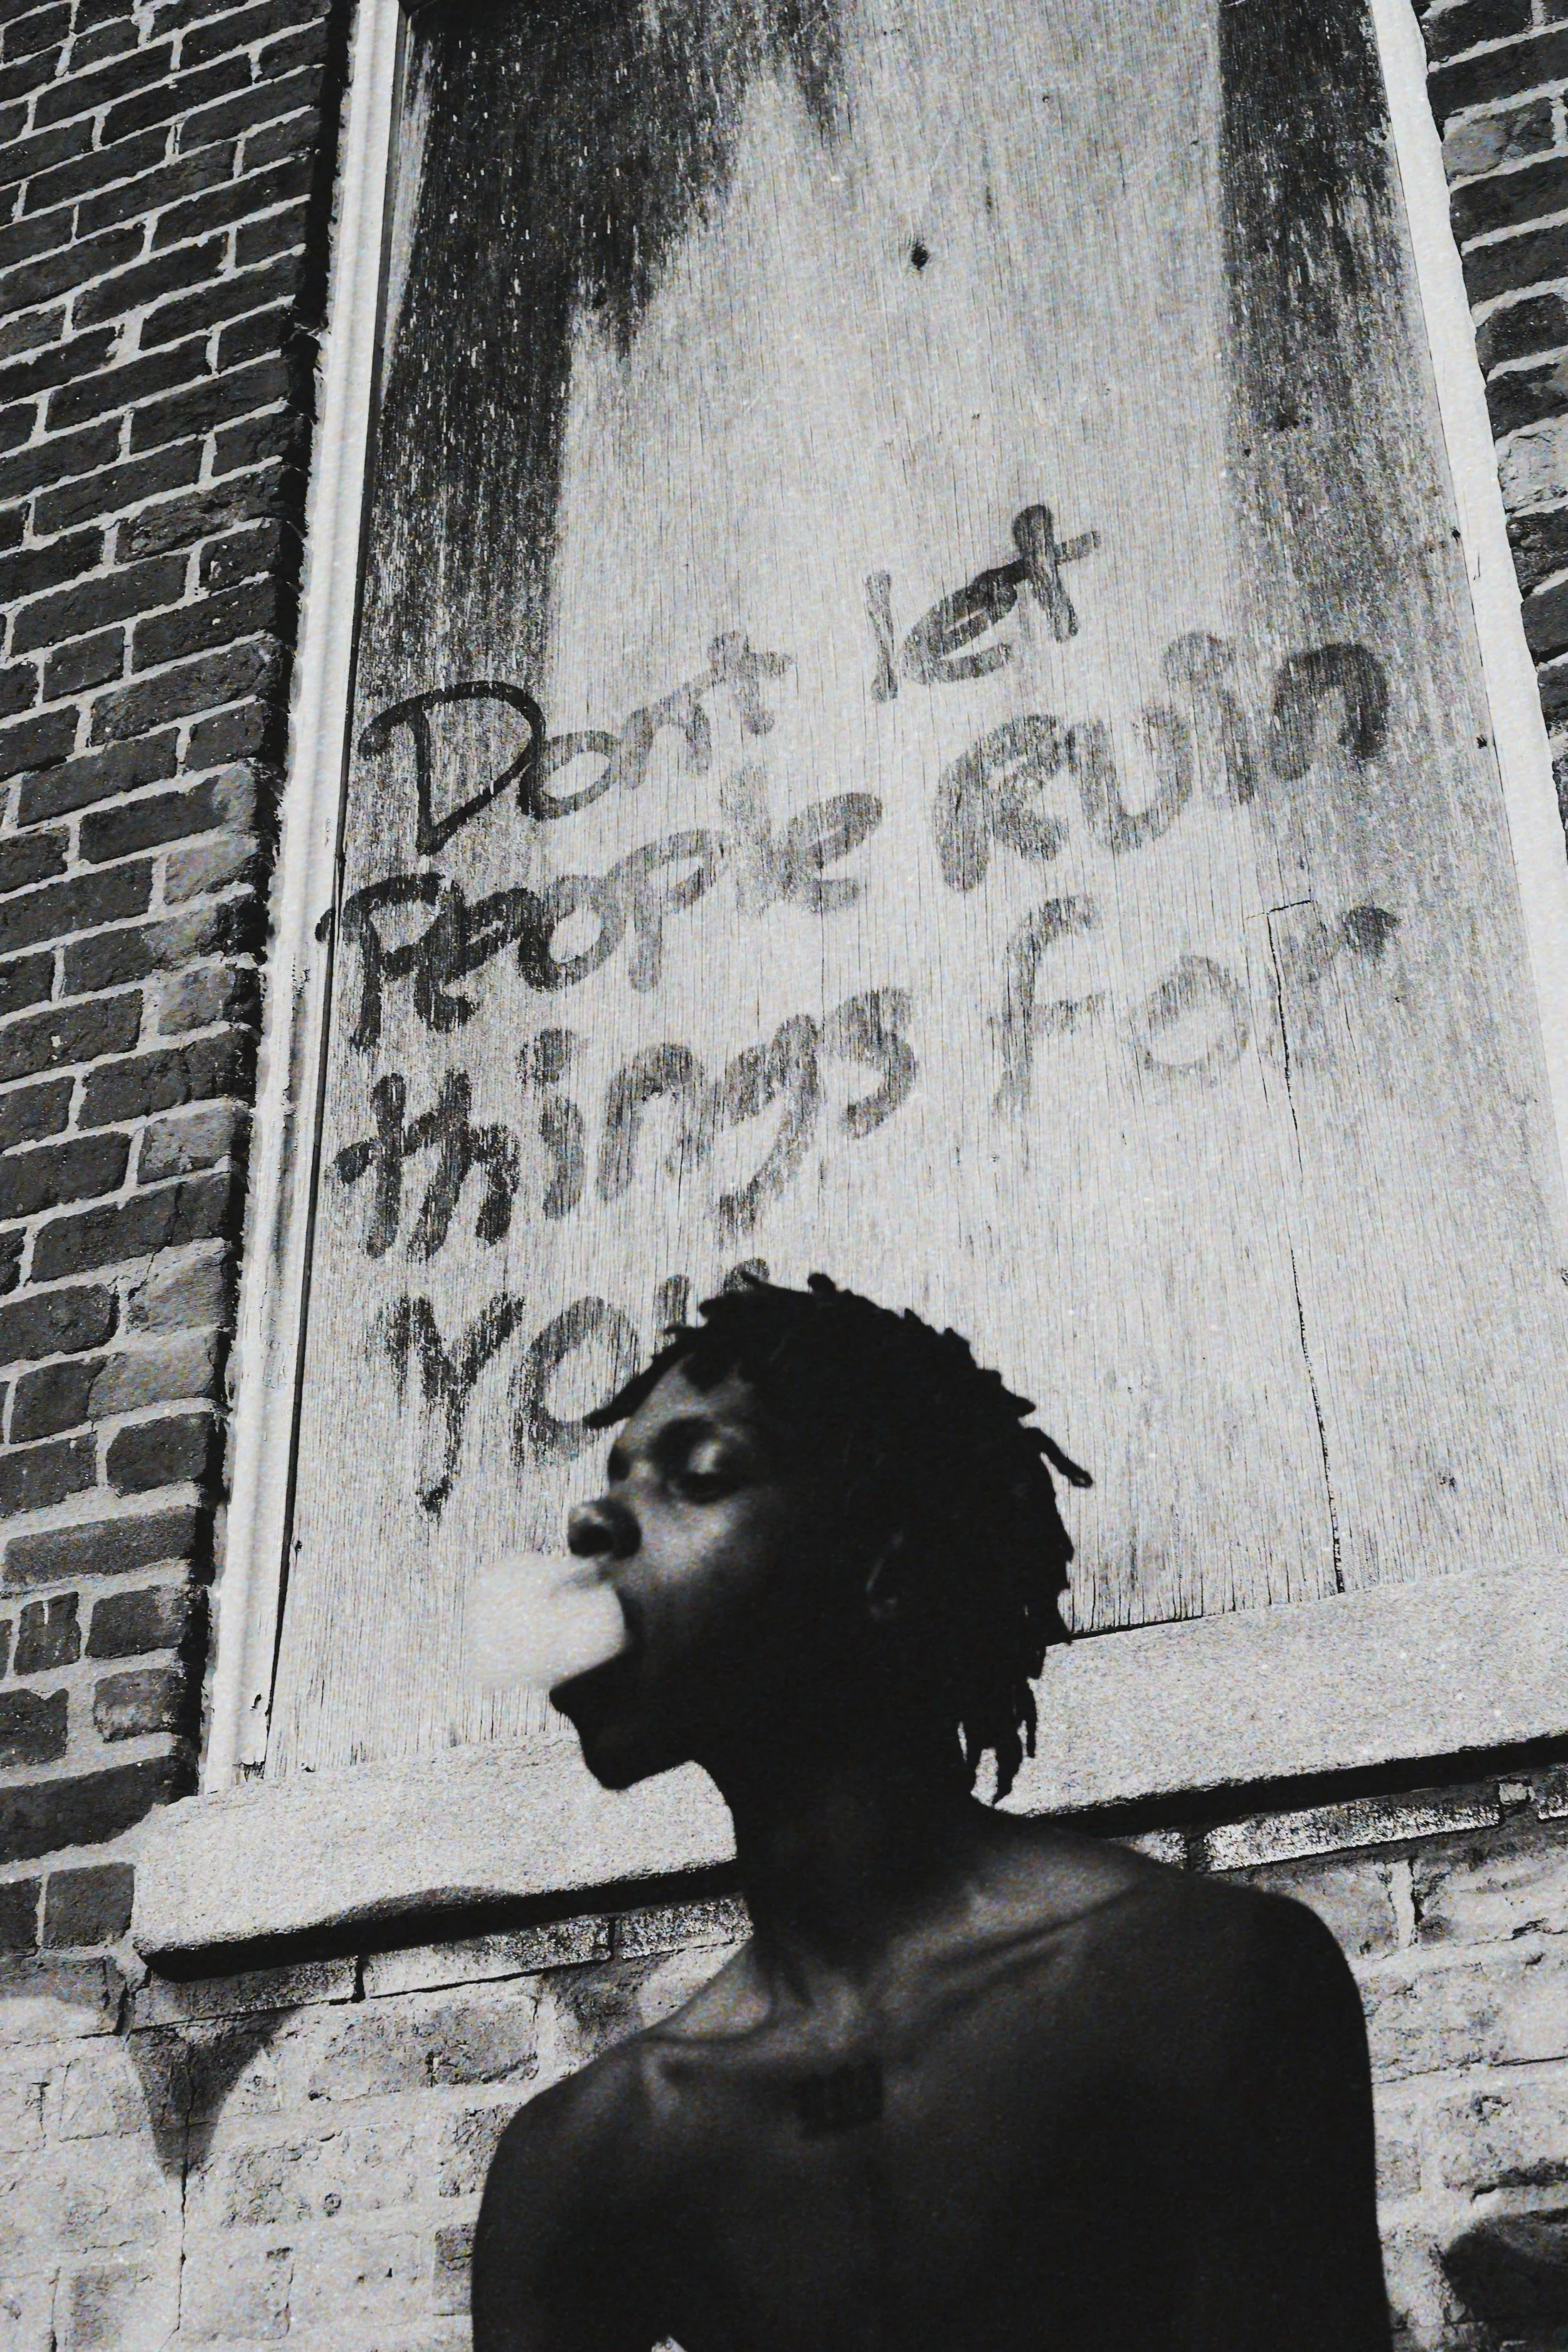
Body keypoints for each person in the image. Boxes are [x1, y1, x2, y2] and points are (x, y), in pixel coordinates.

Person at [473, 1274, 1391, 2351]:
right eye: (615, 1478)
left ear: (887, 1569)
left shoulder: (1200, 1978)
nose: (591, 1523)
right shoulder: (584, 2158)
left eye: (700, 1475)